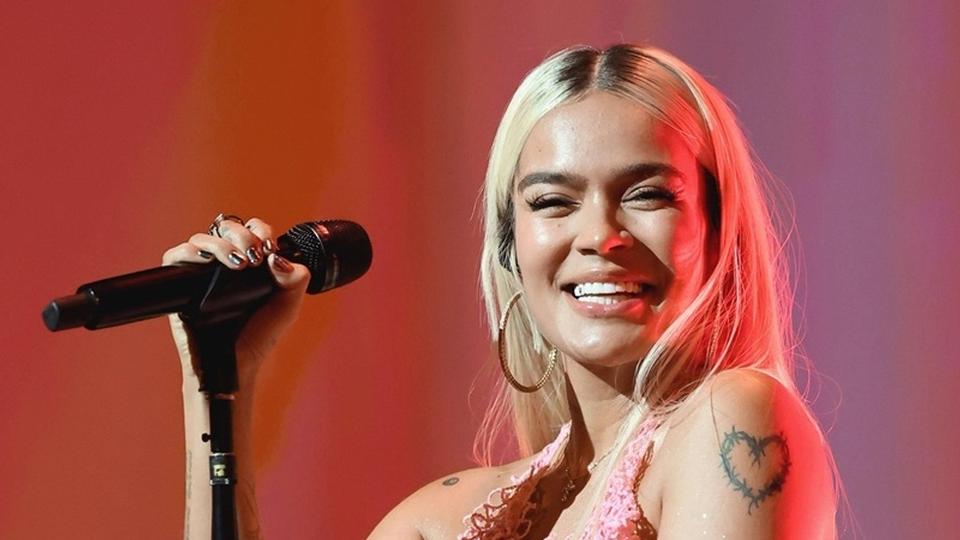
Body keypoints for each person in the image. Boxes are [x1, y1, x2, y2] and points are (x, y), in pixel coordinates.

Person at [165, 44, 838, 539]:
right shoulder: (441, 519)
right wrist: (220, 380)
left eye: (646, 194)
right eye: (553, 202)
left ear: (717, 227)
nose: (600, 236)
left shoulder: (732, 421)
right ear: (512, 249)